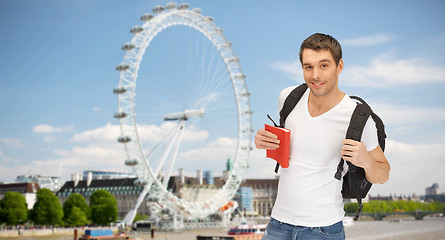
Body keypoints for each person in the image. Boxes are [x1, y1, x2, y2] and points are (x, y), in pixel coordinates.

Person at [255, 33, 390, 240]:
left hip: (323, 230)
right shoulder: (288, 98)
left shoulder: (359, 118)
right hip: (277, 225)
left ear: (340, 66)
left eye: (324, 65)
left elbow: (383, 174)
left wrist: (366, 161)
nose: (315, 75)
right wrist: (264, 140)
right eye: (308, 67)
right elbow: (291, 149)